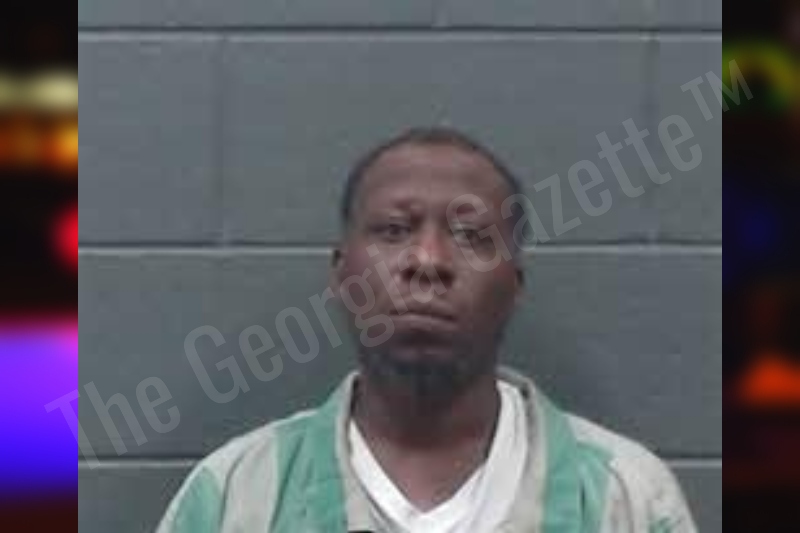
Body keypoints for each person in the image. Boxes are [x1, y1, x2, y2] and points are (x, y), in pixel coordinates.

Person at [156, 127, 697, 533]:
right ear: (342, 273)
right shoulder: (237, 496)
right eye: (394, 230)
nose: (428, 260)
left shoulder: (626, 500)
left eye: (470, 236)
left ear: (514, 285)